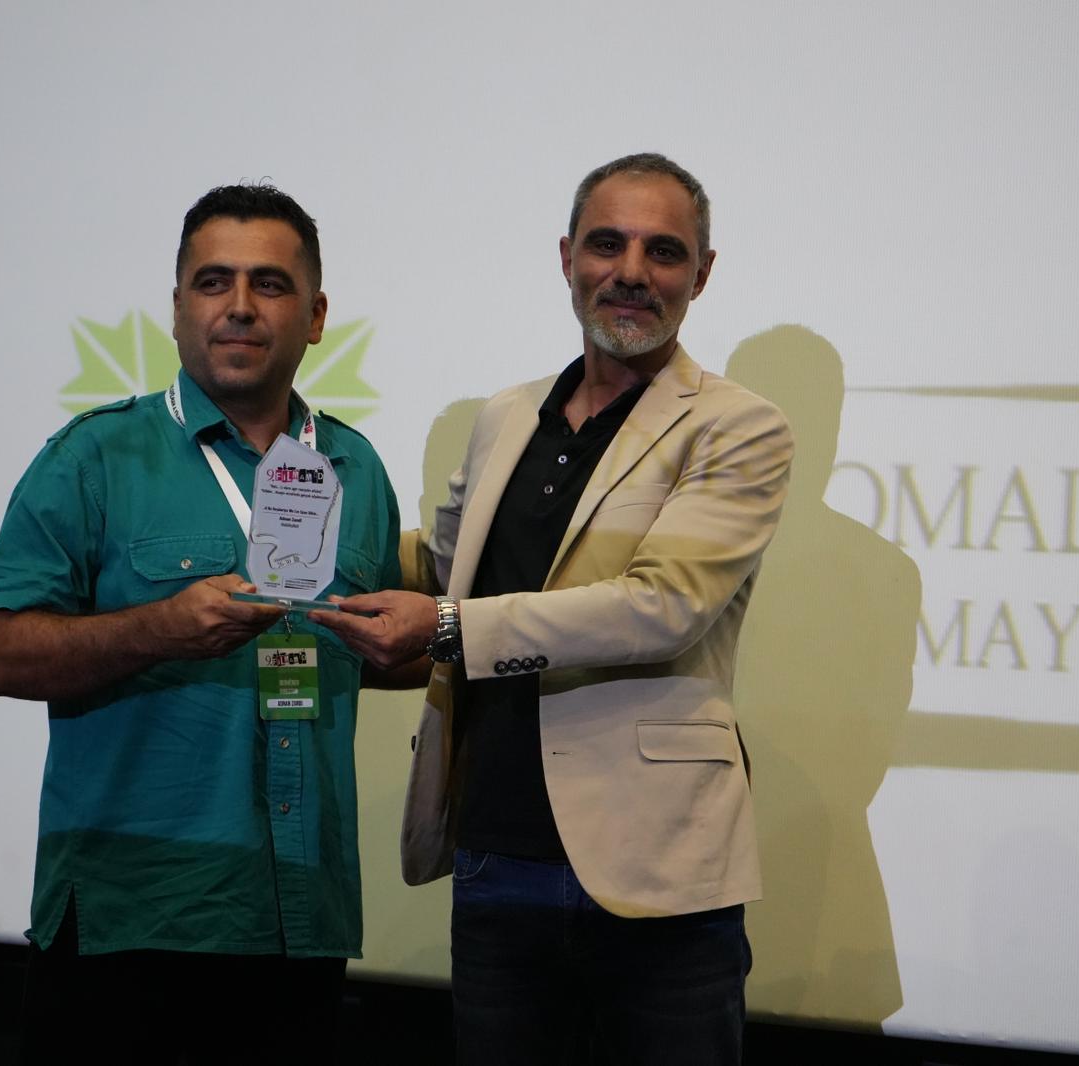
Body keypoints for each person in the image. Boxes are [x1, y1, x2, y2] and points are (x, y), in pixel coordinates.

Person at [312, 152, 793, 1065]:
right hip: (497, 852)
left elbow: (662, 607)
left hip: (658, 869)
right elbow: (444, 566)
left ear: (702, 274)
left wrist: (447, 627)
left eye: (663, 252)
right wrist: (300, 545)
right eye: (607, 244)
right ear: (568, 258)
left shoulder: (739, 425)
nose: (631, 272)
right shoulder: (507, 414)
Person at [0, 183, 401, 1064]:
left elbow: (365, 652)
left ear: (316, 316)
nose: (239, 306)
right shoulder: (94, 457)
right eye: (213, 282)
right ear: (175, 309)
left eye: (270, 284)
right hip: (132, 921)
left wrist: (428, 639)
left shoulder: (355, 467)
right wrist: (159, 628)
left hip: (299, 921)